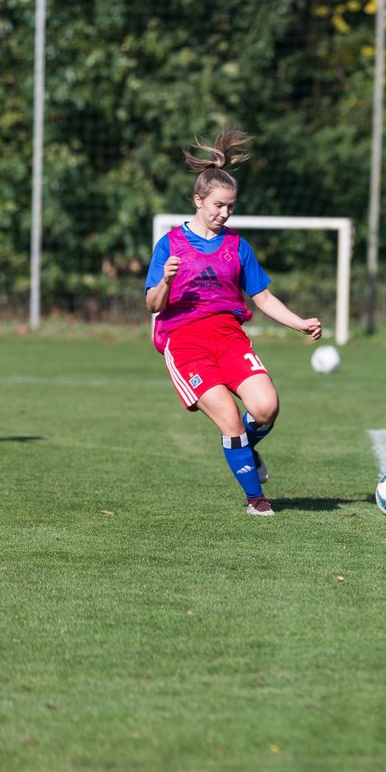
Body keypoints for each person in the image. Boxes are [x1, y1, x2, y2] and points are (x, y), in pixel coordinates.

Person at [144, 127, 322, 516]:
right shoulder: (170, 245)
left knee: (266, 407)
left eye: (231, 207)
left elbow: (263, 297)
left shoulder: (237, 246)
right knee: (229, 420)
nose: (224, 213)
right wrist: (166, 280)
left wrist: (299, 323)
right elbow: (152, 305)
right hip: (185, 340)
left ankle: (246, 449)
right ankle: (257, 500)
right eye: (218, 205)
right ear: (198, 200)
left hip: (228, 335)